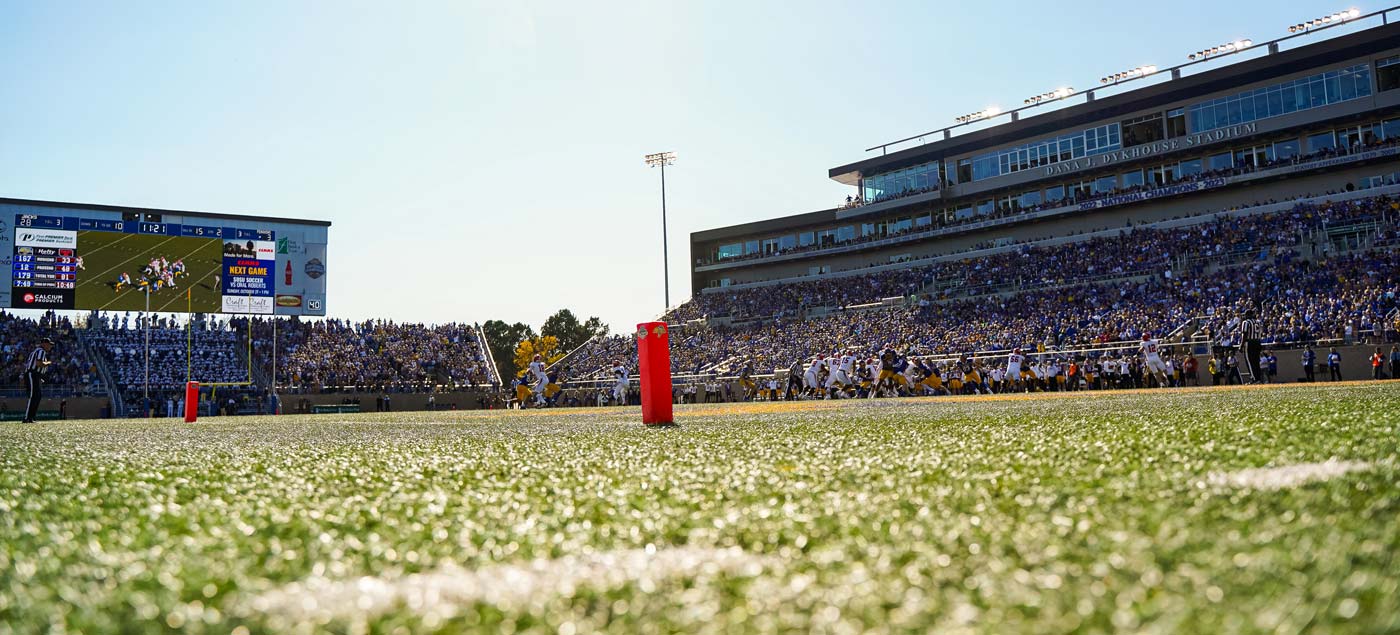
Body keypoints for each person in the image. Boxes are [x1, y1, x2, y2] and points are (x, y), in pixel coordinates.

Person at [22, 337, 54, 423]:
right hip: (32, 374)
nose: (50, 347)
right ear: (44, 344)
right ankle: (27, 417)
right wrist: (48, 363)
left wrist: (39, 377)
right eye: (49, 345)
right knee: (33, 396)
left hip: (35, 375)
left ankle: (31, 417)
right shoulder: (41, 351)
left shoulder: (38, 351)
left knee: (38, 396)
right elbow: (39, 363)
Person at [1237, 309, 1264, 383]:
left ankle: (1254, 378)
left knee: (1250, 361)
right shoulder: (1258, 322)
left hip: (1250, 343)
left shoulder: (1246, 322)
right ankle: (1258, 378)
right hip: (1257, 342)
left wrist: (1241, 345)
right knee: (1256, 361)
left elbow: (1244, 334)